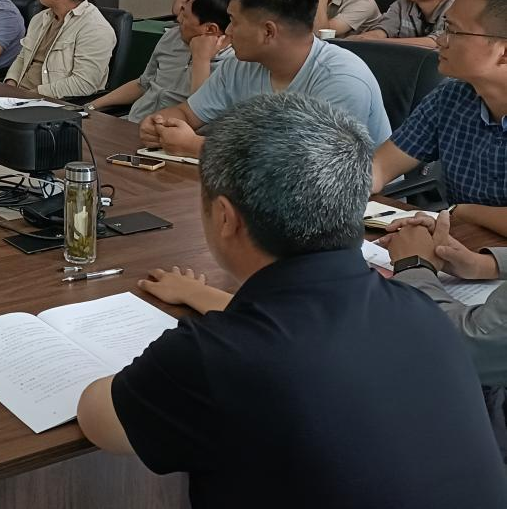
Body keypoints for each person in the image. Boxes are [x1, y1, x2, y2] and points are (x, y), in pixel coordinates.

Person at [75, 94, 506, 509]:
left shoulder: (213, 357)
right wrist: (203, 297)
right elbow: (309, 335)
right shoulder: (422, 312)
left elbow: (99, 419)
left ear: (224, 217)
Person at [139, 0, 390, 157]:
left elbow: (303, 164)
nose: (228, 31)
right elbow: (186, 113)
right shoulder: (240, 65)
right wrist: (160, 124)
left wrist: (195, 146)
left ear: (268, 31)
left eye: (234, 21)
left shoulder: (342, 79)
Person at [371, 0, 507, 208]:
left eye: (453, 31)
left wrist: (463, 214)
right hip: (453, 230)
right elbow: (380, 166)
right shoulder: (450, 97)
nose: (441, 41)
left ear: (503, 52)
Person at [89, 0, 232, 122]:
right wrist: (90, 106)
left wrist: (201, 59)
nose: (178, 19)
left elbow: (201, 113)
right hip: (133, 121)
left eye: (185, 15)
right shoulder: (173, 37)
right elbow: (143, 84)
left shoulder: (231, 65)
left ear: (210, 29)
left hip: (168, 132)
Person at [3, 0, 115, 98]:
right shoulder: (40, 19)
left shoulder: (95, 29)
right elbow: (22, 58)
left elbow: (84, 83)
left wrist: (33, 95)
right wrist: (10, 85)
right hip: (17, 97)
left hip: (50, 103)